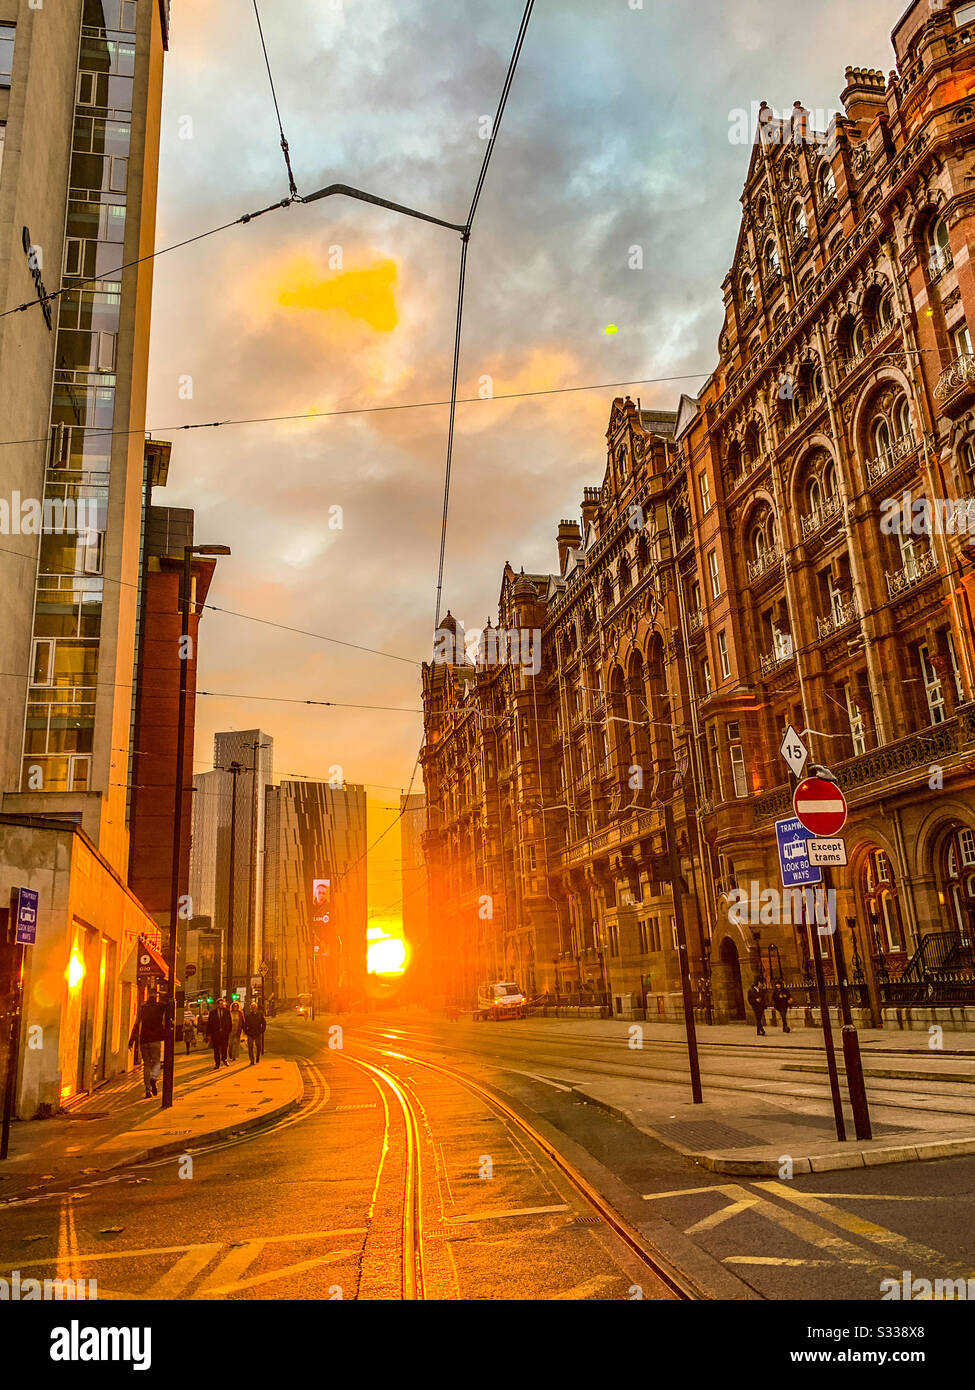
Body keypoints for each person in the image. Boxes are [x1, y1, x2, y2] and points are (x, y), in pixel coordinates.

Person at [129, 989, 170, 1098]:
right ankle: (153, 1077)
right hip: (156, 1038)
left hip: (144, 1039)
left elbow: (137, 1023)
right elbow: (168, 1008)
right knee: (156, 1062)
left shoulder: (143, 1007)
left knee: (146, 1064)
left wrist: (132, 1039)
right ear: (156, 996)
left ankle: (148, 1089)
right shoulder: (160, 1007)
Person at [206, 997, 232, 1069]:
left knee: (224, 1048)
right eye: (219, 1004)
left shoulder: (226, 1012)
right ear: (217, 1004)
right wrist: (208, 1034)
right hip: (216, 1034)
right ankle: (217, 1063)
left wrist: (228, 1031)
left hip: (224, 1034)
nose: (221, 1005)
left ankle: (224, 1059)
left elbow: (229, 1022)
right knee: (216, 1049)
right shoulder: (212, 1013)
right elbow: (209, 1024)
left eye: (222, 1003)